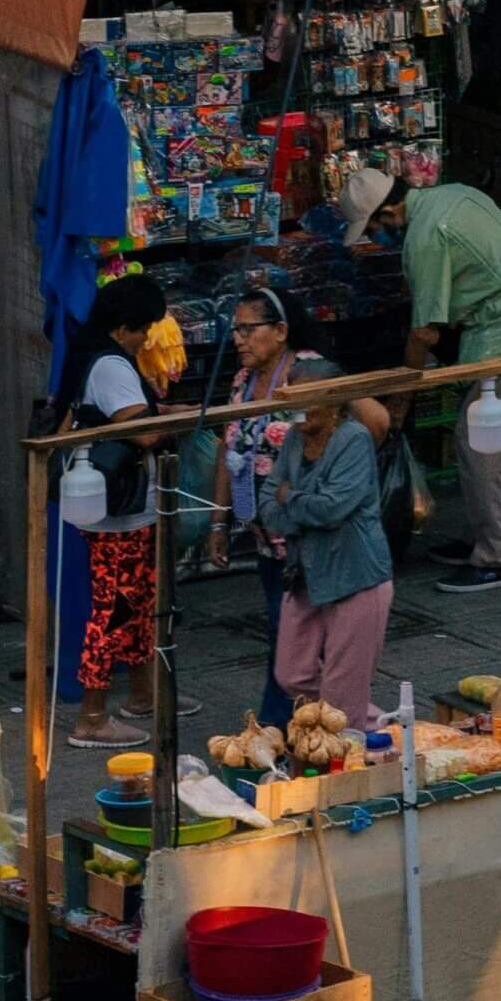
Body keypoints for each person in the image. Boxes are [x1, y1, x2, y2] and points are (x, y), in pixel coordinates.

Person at [338, 167, 501, 594]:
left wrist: (401, 400)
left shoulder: (424, 236)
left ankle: (499, 555)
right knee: (487, 439)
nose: (375, 240)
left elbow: (425, 331)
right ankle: (488, 537)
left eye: (372, 230)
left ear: (389, 213)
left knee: (484, 445)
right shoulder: (454, 193)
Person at [207, 287, 388, 727]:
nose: (239, 338)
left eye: (249, 328)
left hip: (319, 546)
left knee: (298, 640)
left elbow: (378, 421)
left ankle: (300, 725)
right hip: (271, 538)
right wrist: (218, 520)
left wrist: (338, 457)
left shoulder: (309, 375)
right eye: (236, 329)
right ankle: (317, 722)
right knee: (290, 652)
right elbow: (228, 447)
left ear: (281, 330)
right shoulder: (242, 381)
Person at [57, 275, 184, 747]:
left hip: (124, 511)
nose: (147, 337)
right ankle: (91, 718)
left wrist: (169, 410)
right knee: (113, 611)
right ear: (123, 326)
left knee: (136, 605)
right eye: (144, 327)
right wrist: (177, 421)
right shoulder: (110, 366)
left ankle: (142, 696)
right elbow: (142, 434)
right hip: (120, 517)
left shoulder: (97, 355)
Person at [259, 357, 393, 731]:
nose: (296, 410)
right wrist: (296, 505)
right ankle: (380, 726)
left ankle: (349, 745)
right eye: (292, 399)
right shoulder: (292, 439)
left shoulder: (353, 439)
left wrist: (291, 499)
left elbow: (334, 509)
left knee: (342, 693)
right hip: (305, 574)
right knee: (291, 673)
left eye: (306, 399)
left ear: (333, 402)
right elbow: (269, 503)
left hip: (356, 574)